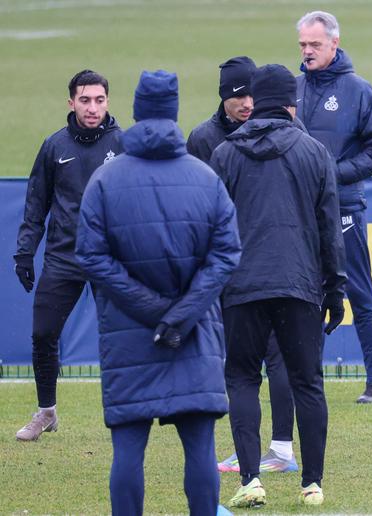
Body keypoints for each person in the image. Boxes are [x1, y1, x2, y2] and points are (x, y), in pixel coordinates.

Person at [75, 70, 241, 516]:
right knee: (200, 446)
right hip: (192, 334)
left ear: (135, 110)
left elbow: (89, 256)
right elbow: (226, 255)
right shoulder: (205, 179)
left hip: (130, 335)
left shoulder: (105, 181)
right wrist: (180, 315)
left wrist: (152, 311)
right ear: (172, 112)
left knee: (128, 448)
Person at [210, 64, 347, 508]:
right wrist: (336, 288)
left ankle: (250, 479)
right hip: (299, 285)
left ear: (255, 102)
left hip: (242, 287)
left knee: (243, 379)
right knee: (307, 382)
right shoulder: (314, 152)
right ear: (292, 103)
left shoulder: (226, 154)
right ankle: (312, 484)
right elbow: (330, 227)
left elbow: (212, 227)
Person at [187, 55, 300, 475]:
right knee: (240, 367)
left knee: (280, 359)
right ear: (224, 99)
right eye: (237, 97)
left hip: (277, 265)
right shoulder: (204, 139)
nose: (246, 103)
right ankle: (251, 451)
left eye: (251, 93)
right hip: (231, 270)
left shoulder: (287, 131)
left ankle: (281, 449)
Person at [14, 69, 122, 441]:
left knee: (119, 336)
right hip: (63, 258)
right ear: (71, 102)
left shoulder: (123, 144)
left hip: (110, 259)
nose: (93, 107)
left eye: (100, 99)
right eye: (85, 100)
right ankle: (46, 411)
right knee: (43, 333)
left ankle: (122, 411)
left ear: (108, 101)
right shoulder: (54, 146)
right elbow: (35, 204)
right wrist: (24, 252)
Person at [296, 10, 372, 403]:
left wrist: (333, 175)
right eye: (303, 45)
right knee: (306, 293)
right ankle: (309, 380)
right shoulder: (293, 88)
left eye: (315, 44)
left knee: (358, 290)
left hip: (344, 208)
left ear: (334, 43)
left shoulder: (357, 90)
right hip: (299, 209)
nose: (307, 51)